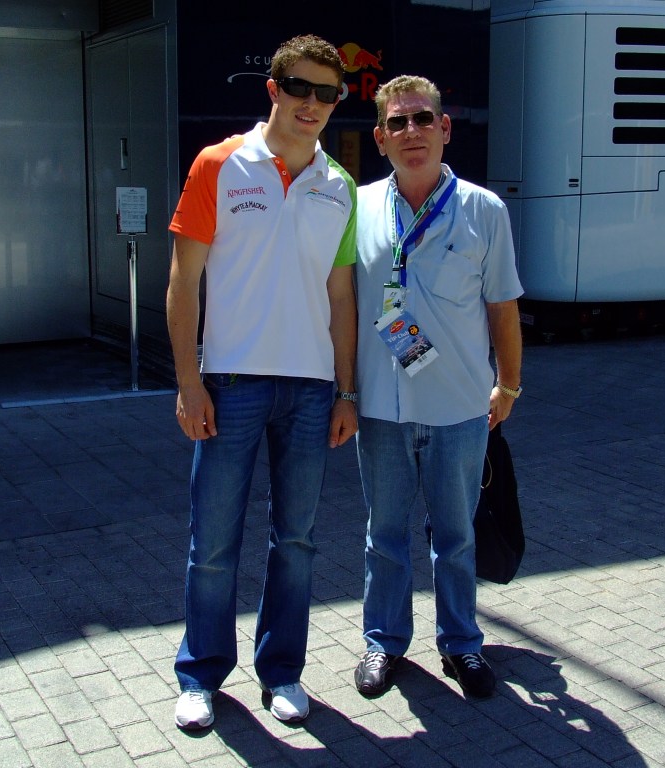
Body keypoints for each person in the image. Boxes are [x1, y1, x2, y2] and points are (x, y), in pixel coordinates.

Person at [165, 34, 358, 730]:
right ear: (272, 89)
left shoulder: (338, 186)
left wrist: (346, 391)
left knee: (297, 543)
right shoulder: (220, 163)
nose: (312, 104)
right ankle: (201, 676)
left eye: (327, 94)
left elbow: (341, 300)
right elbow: (183, 283)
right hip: (232, 384)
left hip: (310, 393)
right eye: (300, 88)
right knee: (212, 543)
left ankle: (283, 673)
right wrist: (189, 381)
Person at [352, 75, 523, 699]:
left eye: (423, 119)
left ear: (444, 128)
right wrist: (345, 394)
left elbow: (503, 308)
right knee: (384, 535)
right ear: (379, 138)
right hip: (380, 408)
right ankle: (383, 642)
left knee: (456, 538)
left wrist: (510, 387)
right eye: (396, 123)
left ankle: (461, 645)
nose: (411, 132)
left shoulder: (483, 210)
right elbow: (344, 304)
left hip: (457, 408)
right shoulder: (359, 207)